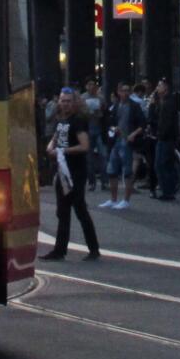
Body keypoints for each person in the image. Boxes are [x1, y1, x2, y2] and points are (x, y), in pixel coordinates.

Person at [40, 87, 100, 261]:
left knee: (80, 209)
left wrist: (62, 150)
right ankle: (60, 250)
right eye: (62, 100)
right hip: (62, 171)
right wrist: (51, 147)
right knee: (62, 211)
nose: (65, 104)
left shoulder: (78, 121)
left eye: (68, 101)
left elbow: (85, 145)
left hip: (76, 171)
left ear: (74, 103)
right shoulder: (61, 120)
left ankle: (93, 248)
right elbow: (56, 138)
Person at [101, 83, 144, 210]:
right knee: (112, 170)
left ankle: (126, 200)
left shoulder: (134, 106)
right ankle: (113, 199)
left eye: (127, 90)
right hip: (117, 140)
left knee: (127, 171)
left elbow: (142, 123)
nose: (125, 93)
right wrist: (113, 128)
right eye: (122, 91)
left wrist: (133, 134)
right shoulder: (116, 106)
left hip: (127, 140)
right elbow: (110, 122)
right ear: (118, 92)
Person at [153, 79, 180, 200]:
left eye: (159, 86)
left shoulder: (168, 103)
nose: (157, 88)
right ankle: (168, 189)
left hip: (166, 138)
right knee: (164, 164)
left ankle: (168, 191)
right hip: (165, 137)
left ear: (166, 88)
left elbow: (167, 122)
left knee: (162, 164)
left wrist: (161, 134)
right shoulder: (164, 102)